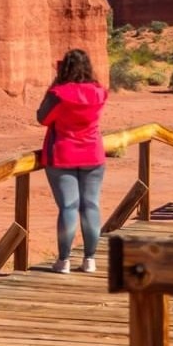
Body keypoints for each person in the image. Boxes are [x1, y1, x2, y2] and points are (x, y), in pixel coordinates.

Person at [36, 48, 108, 274]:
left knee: (68, 206)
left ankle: (64, 260)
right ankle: (90, 259)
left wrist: (54, 83)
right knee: (91, 206)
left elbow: (43, 118)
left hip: (62, 154)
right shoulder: (99, 92)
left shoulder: (59, 93)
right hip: (93, 154)